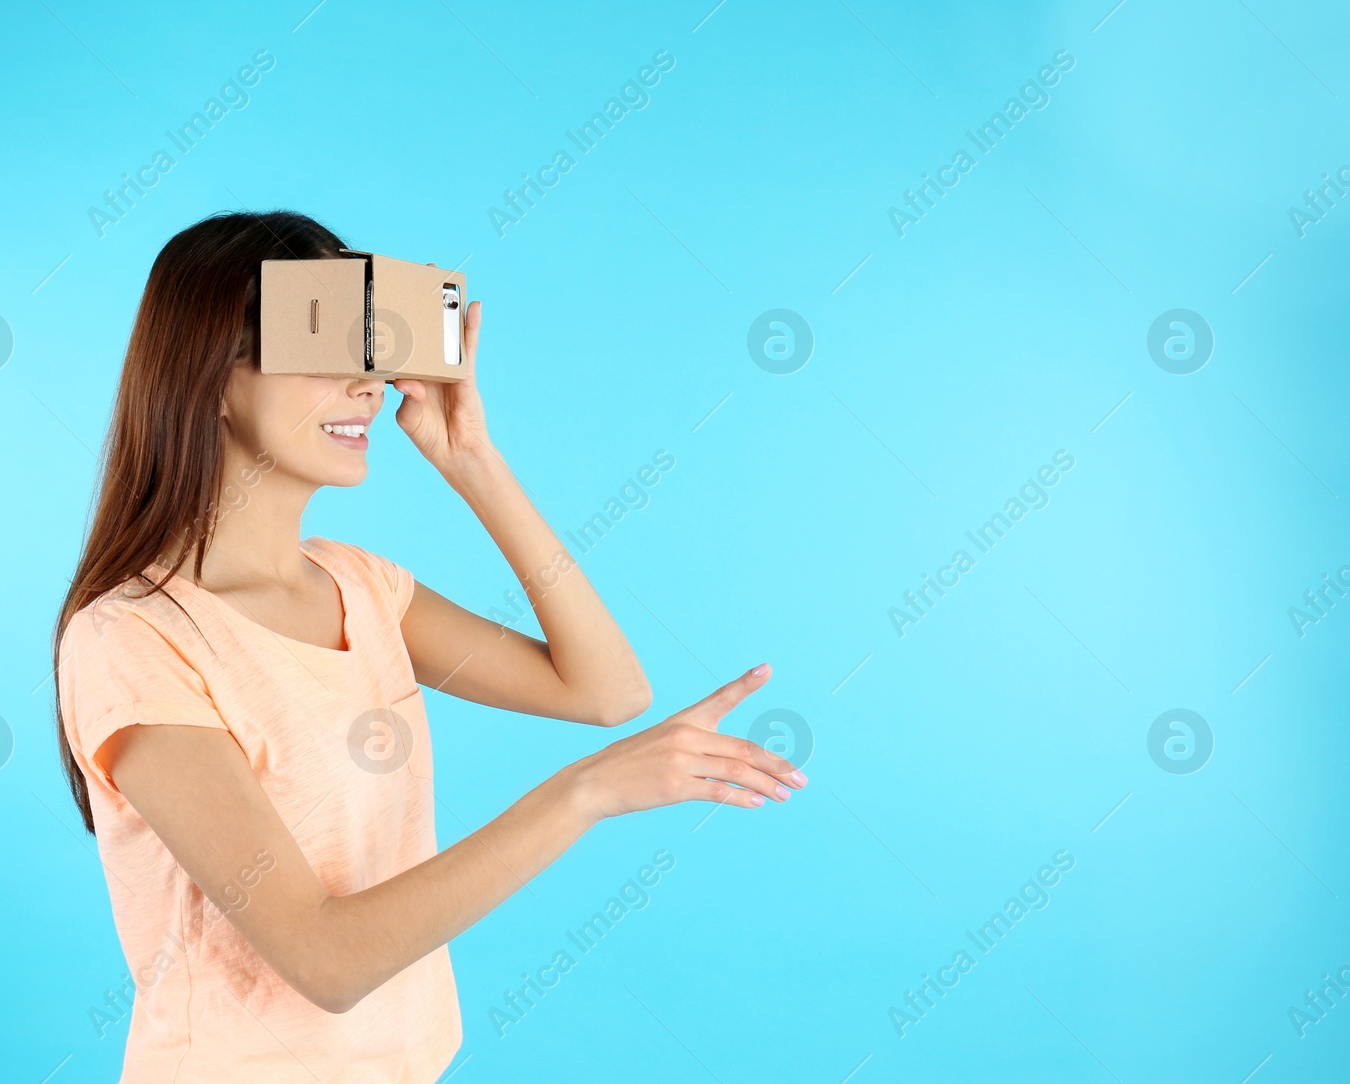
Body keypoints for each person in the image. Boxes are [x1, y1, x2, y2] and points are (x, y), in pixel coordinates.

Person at [51, 210, 806, 1082]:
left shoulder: (361, 586)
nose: (366, 387)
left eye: (367, 351)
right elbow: (324, 959)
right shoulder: (133, 639)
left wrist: (473, 460)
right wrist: (584, 794)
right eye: (319, 343)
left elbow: (606, 690)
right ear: (214, 378)